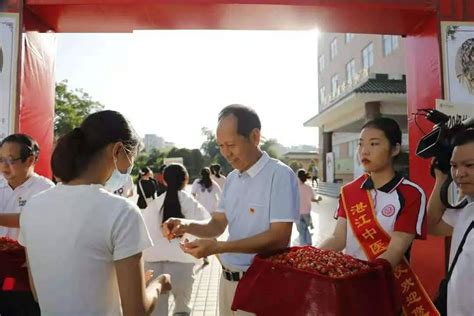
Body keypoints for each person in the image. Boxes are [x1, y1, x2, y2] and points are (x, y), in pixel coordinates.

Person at [17, 110, 171, 315]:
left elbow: (39, 292)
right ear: (117, 150)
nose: (130, 167)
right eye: (131, 158)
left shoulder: (32, 208)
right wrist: (158, 284)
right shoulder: (121, 212)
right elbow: (136, 311)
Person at [163, 104, 299, 316]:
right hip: (227, 281)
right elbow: (217, 224)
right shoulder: (233, 178)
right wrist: (185, 225)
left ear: (254, 137)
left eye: (231, 144)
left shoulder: (279, 175)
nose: (225, 153)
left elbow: (279, 237)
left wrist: (219, 247)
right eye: (220, 146)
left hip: (261, 284)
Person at [319, 117, 436, 314]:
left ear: (395, 149)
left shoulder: (410, 193)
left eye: (374, 144)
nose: (364, 151)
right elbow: (338, 238)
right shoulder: (349, 191)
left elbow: (396, 249)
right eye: (360, 144)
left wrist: (366, 275)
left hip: (386, 290)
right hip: (350, 286)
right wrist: (313, 257)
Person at [143, 163, 210, 316]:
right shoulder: (193, 205)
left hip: (152, 266)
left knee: (157, 312)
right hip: (183, 264)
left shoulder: (153, 206)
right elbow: (208, 230)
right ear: (186, 179)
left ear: (164, 180)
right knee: (182, 309)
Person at [0, 134, 54, 316]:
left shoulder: (45, 190)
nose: (3, 166)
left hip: (26, 270)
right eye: (0, 160)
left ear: (30, 160)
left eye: (10, 160)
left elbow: (37, 221)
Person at [427, 128, 474, 316]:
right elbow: (432, 224)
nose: (459, 173)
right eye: (454, 165)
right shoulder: (466, 210)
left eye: (470, 165)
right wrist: (441, 179)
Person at [296, 169, 320, 246]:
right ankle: (309, 244)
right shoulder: (308, 188)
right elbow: (313, 199)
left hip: (297, 213)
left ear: (298, 177)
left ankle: (303, 246)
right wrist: (317, 199)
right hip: (306, 212)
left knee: (301, 231)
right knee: (306, 229)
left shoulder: (294, 188)